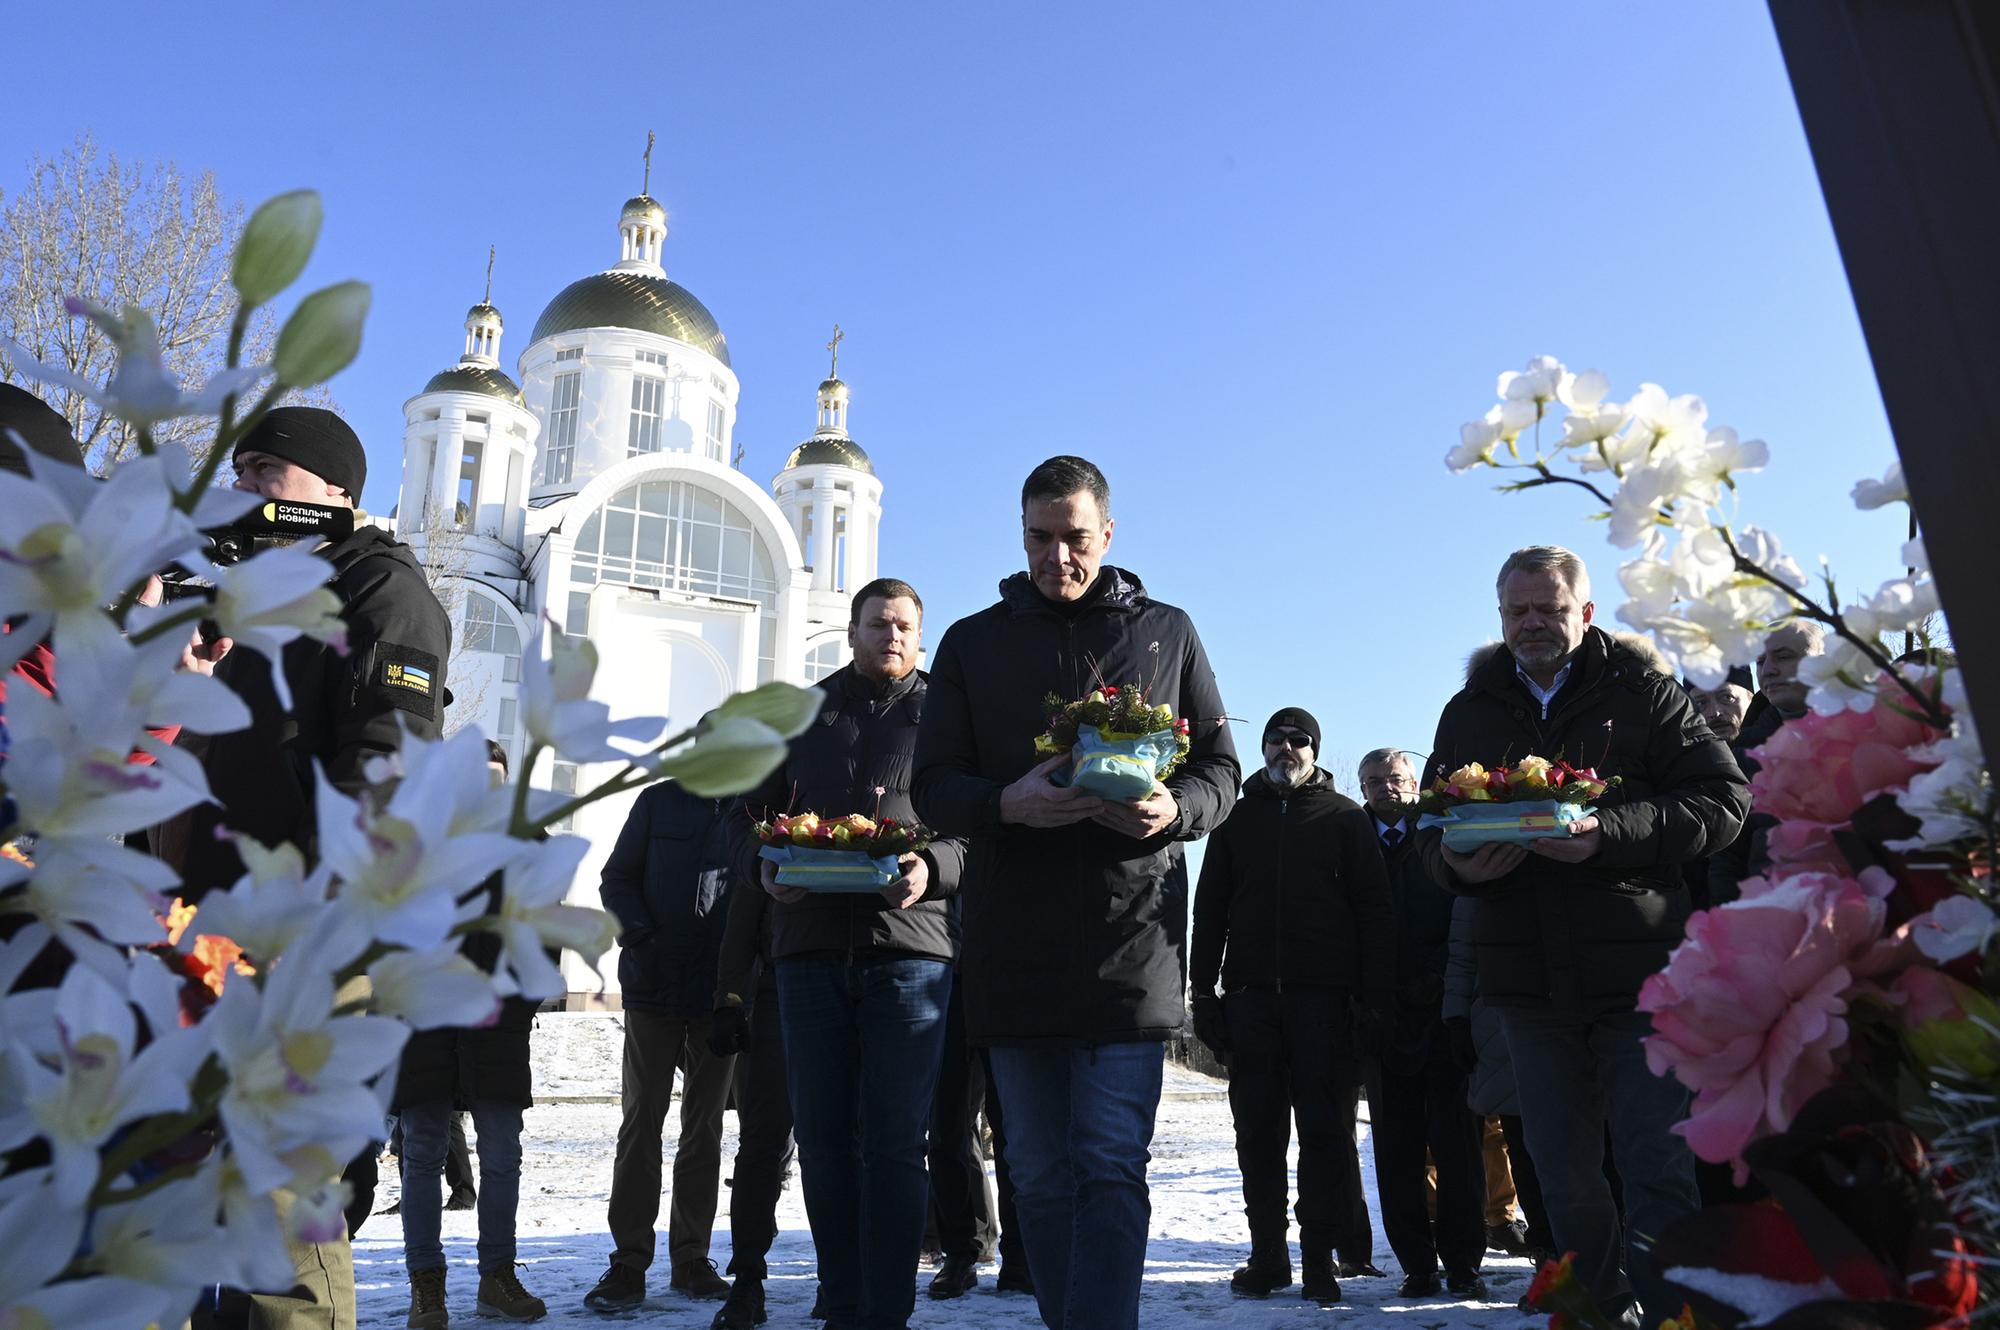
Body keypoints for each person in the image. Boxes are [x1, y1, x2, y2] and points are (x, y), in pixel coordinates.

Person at [913, 456, 1239, 1330]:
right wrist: (1005, 803)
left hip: (1130, 945)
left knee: (1106, 1163)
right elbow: (932, 783)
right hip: (1011, 946)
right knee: (1041, 1175)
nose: (1059, 557)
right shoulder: (972, 643)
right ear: (1020, 534)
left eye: (1076, 538)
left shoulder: (1166, 632)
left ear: (1110, 532)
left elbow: (1221, 772)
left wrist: (1177, 809)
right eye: (1040, 538)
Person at [169, 407, 451, 1330]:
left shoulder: (378, 589)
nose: (245, 488)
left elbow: (387, 768)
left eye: (266, 473)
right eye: (239, 471)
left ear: (335, 492)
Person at [1420, 545, 1749, 1327]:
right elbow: (1434, 839)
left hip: (1640, 975)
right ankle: (1601, 1310)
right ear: (1499, 617)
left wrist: (1609, 833)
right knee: (1562, 1175)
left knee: (1655, 1164)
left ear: (1586, 612)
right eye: (1518, 612)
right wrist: (1465, 867)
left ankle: (1675, 1316)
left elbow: (1724, 803)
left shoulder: (1645, 693)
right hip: (1529, 987)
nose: (1533, 624)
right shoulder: (1469, 711)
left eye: (1550, 609)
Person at [725, 577, 967, 1330]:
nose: (890, 637)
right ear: (852, 631)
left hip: (912, 952)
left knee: (897, 1144)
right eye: (876, 624)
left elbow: (981, 827)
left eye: (903, 627)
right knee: (825, 1140)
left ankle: (887, 1310)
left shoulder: (950, 718)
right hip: (810, 950)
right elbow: (756, 813)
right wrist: (770, 864)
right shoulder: (805, 713)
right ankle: (843, 1300)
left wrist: (937, 867)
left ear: (919, 638)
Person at [1185, 708, 1391, 1306]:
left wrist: (1373, 1001)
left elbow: (1375, 915)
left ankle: (1320, 1258)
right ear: (1264, 746)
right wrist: (1204, 994)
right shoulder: (1234, 818)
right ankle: (1267, 1256)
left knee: (1326, 1137)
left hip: (1325, 1007)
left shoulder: (1346, 819)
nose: (1288, 749)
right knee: (1257, 1137)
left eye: (1300, 741)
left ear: (1315, 751)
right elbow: (1211, 912)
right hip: (1251, 1005)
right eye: (1277, 739)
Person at [398, 740, 546, 1326]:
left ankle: (497, 1276)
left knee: (502, 1154)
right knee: (422, 1154)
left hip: (497, 1022)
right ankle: (425, 1285)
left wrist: (519, 1003)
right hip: (426, 1020)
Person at [583, 774, 738, 1311]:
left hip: (721, 994)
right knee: (640, 1125)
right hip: (653, 988)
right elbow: (617, 878)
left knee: (705, 1129)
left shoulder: (753, 811)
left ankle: (691, 1257)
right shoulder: (658, 802)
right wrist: (641, 938)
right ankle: (628, 1262)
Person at [1357, 746, 1487, 1301]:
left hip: (1444, 1013)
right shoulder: (1351, 839)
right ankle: (1417, 1262)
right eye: (1376, 780)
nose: (1389, 788)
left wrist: (1437, 978)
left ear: (1416, 783)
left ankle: (1463, 1261)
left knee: (1458, 1147)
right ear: (1362, 788)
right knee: (1396, 1149)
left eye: (1397, 778)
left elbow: (1467, 909)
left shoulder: (1444, 830)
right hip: (1382, 1017)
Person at [924, 967, 1029, 1300]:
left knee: (1013, 1130)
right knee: (946, 1127)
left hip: (1007, 977)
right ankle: (958, 1254)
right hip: (945, 975)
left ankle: (1019, 1255)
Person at [1704, 623, 1826, 906]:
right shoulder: (1743, 754)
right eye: (1760, 661)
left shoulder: (1868, 728)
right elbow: (1728, 854)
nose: (1768, 670)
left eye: (1783, 656)